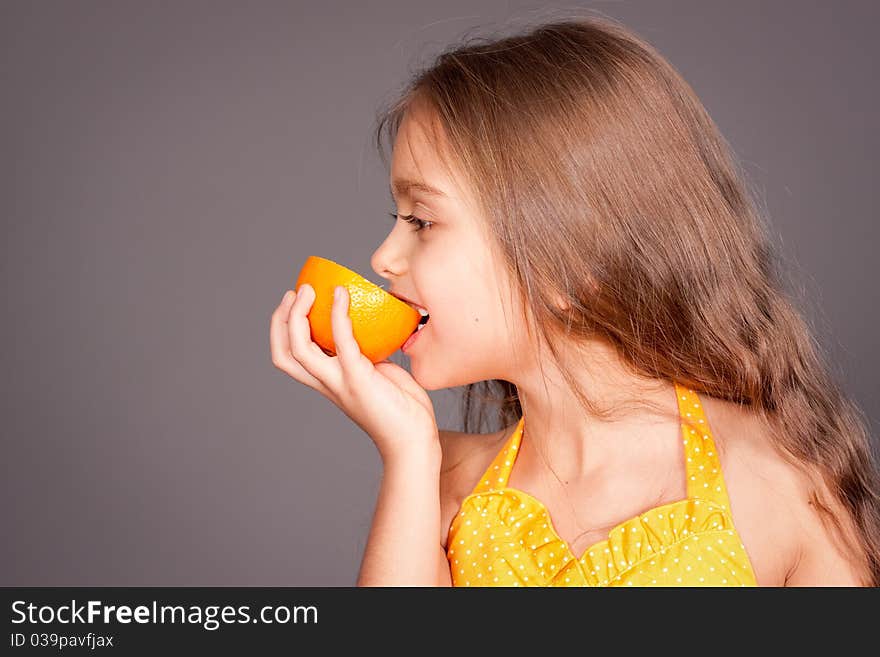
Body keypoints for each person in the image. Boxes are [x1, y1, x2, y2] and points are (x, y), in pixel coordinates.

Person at [270, 14, 879, 586]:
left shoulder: (780, 481)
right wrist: (405, 455)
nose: (383, 257)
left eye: (422, 220)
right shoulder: (439, 481)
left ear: (571, 263)